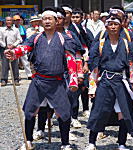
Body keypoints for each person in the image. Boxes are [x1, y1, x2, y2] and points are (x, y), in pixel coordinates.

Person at [4, 7, 79, 150]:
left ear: (56, 21)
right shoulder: (36, 37)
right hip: (38, 81)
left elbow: (71, 60)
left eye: (50, 19)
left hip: (57, 82)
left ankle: (65, 143)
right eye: (44, 19)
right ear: (41, 22)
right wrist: (13, 52)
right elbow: (24, 47)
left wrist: (73, 80)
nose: (47, 21)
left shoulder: (65, 39)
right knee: (30, 111)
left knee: (64, 113)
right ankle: (28, 141)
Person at [85, 14, 133, 150]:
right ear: (106, 26)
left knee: (123, 112)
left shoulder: (127, 44)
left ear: (120, 26)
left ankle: (121, 143)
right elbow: (94, 67)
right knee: (98, 111)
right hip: (105, 81)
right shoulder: (100, 44)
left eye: (116, 24)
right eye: (111, 24)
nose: (113, 27)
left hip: (121, 81)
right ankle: (91, 142)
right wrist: (92, 88)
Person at [0, 16, 22, 86]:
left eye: (10, 20)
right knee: (4, 64)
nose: (9, 22)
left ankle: (16, 79)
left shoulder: (16, 30)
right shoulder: (1, 29)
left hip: (13, 49)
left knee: (15, 64)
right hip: (4, 49)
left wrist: (13, 45)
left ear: (12, 21)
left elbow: (19, 39)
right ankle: (4, 80)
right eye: (7, 20)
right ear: (5, 21)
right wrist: (5, 46)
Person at [13, 14, 33, 79]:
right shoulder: (12, 28)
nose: (18, 21)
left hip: (22, 45)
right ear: (13, 21)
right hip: (14, 46)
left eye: (19, 20)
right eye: (16, 20)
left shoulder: (23, 28)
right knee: (16, 62)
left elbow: (26, 37)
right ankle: (17, 76)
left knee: (25, 60)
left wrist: (25, 45)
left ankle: (29, 74)